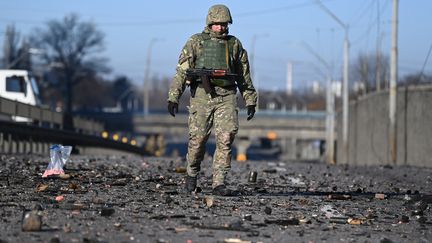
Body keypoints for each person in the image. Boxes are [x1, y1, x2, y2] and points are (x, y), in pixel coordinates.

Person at [167, 4, 257, 196]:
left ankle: (219, 182)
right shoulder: (196, 42)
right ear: (209, 23)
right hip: (201, 96)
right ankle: (191, 174)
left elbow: (244, 76)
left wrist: (250, 99)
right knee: (198, 140)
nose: (221, 28)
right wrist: (174, 97)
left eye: (224, 24)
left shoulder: (234, 45)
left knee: (226, 138)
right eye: (217, 24)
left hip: (226, 95)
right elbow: (182, 72)